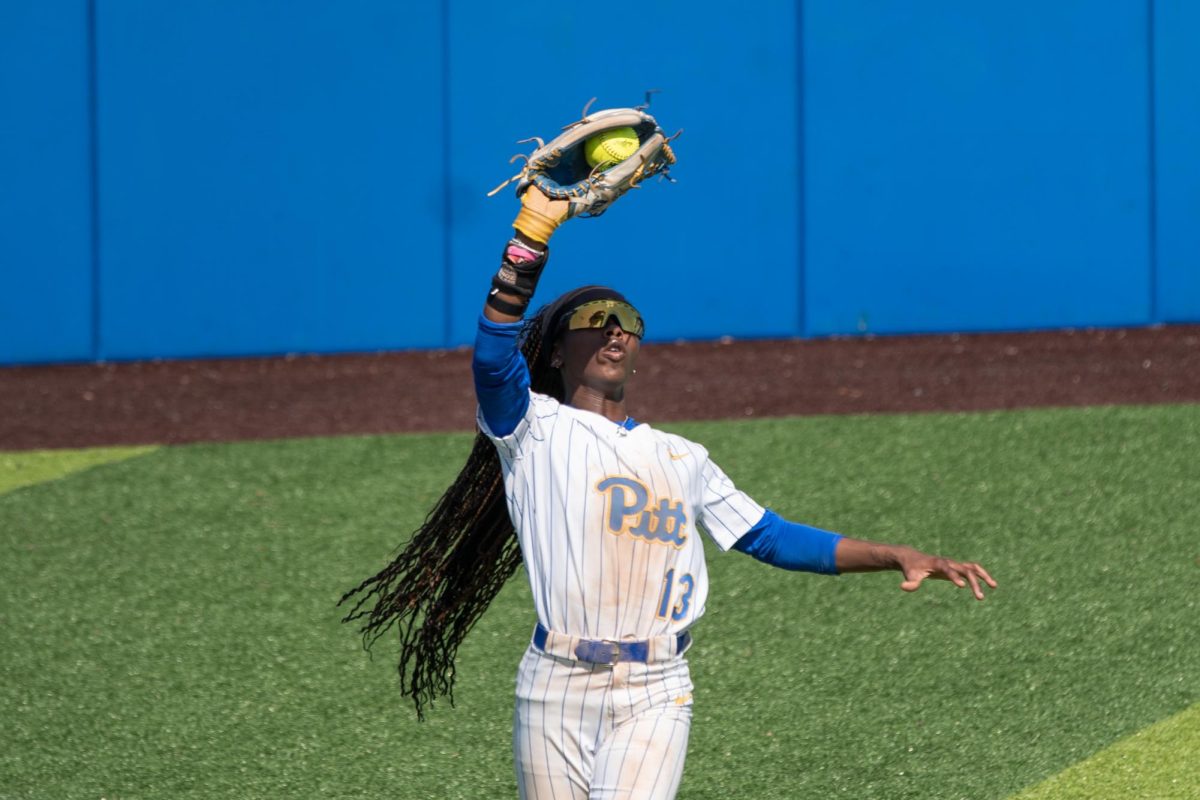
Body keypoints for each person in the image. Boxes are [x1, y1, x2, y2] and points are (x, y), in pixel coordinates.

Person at [341, 190, 996, 799]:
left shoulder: (682, 457)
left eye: (628, 322)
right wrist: (530, 237)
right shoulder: (531, 430)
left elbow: (770, 536)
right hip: (552, 688)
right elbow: (491, 359)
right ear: (559, 351)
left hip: (657, 689)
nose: (616, 329)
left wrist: (896, 554)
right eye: (596, 319)